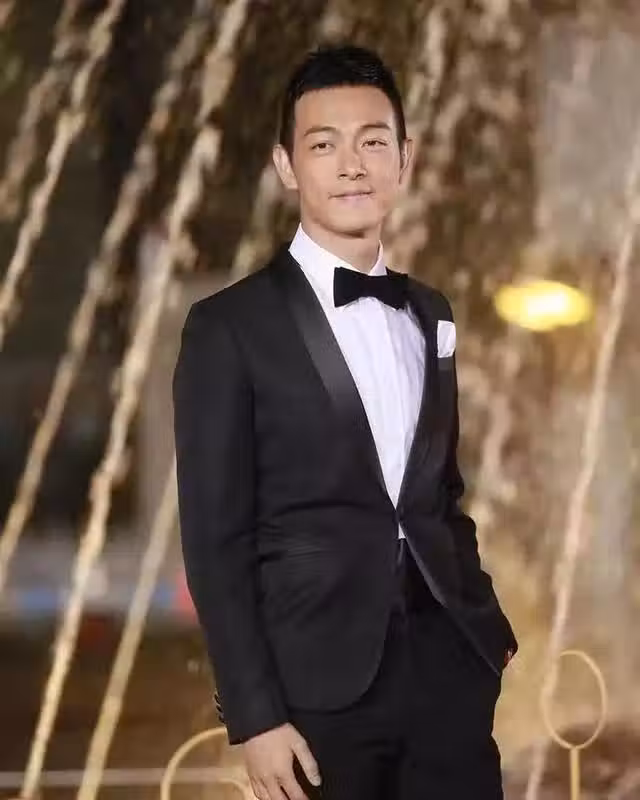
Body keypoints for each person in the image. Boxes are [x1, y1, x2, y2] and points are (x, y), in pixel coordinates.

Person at [173, 44, 518, 800]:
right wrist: (255, 717)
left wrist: (485, 633)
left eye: (373, 142)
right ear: (287, 166)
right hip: (314, 696)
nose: (353, 166)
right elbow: (214, 540)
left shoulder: (430, 313)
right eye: (325, 145)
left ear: (405, 158)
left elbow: (438, 494)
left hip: (447, 681)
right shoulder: (227, 328)